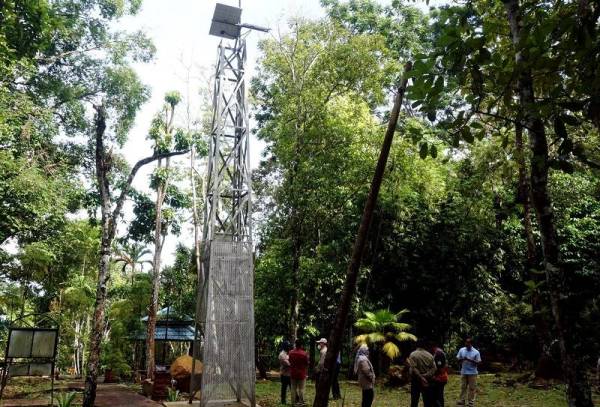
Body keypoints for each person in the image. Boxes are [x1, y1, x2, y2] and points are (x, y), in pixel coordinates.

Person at [407, 339, 437, 407]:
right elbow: (434, 368)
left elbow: (414, 368)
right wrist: (425, 376)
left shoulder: (413, 354)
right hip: (427, 380)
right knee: (427, 401)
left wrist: (421, 377)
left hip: (416, 380)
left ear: (417, 346)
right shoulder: (430, 355)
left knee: (414, 400)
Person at [456, 337, 481, 407]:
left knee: (472, 388)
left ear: (471, 344)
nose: (466, 344)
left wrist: (470, 360)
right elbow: (458, 359)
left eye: (468, 343)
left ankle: (471, 402)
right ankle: (462, 400)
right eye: (466, 342)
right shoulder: (462, 350)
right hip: (463, 371)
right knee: (463, 387)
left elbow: (479, 362)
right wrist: (461, 359)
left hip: (472, 373)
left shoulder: (476, 352)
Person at [289, 338, 309, 406]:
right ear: (301, 345)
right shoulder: (304, 354)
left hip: (293, 373)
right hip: (301, 373)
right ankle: (301, 402)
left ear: (295, 344)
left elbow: (290, 361)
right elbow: (306, 363)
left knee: (293, 388)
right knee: (301, 388)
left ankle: (293, 402)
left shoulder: (291, 352)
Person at [429, 341, 448, 407]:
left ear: (433, 347)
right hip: (439, 377)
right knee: (435, 396)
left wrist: (434, 375)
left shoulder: (438, 353)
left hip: (440, 378)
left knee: (438, 396)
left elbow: (440, 367)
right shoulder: (436, 352)